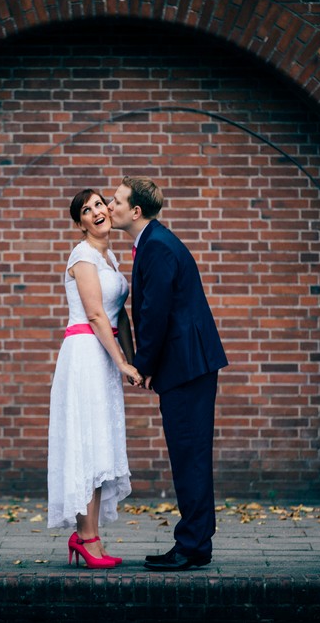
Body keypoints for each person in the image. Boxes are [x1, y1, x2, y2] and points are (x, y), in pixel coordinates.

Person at [107, 176, 228, 571]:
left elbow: (154, 315)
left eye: (116, 201)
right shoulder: (155, 242)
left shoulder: (156, 248)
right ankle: (198, 543)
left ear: (135, 210)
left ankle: (191, 545)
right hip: (188, 365)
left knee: (189, 455)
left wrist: (140, 366)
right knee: (191, 455)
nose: (110, 206)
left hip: (187, 367)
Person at [47, 188, 142, 569]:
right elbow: (97, 316)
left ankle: (89, 537)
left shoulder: (109, 257)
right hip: (86, 356)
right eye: (87, 211)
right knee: (86, 444)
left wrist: (136, 363)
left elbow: (120, 317)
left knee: (99, 445)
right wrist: (122, 363)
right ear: (80, 223)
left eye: (100, 204)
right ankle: (86, 538)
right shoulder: (82, 256)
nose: (97, 212)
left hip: (104, 356)